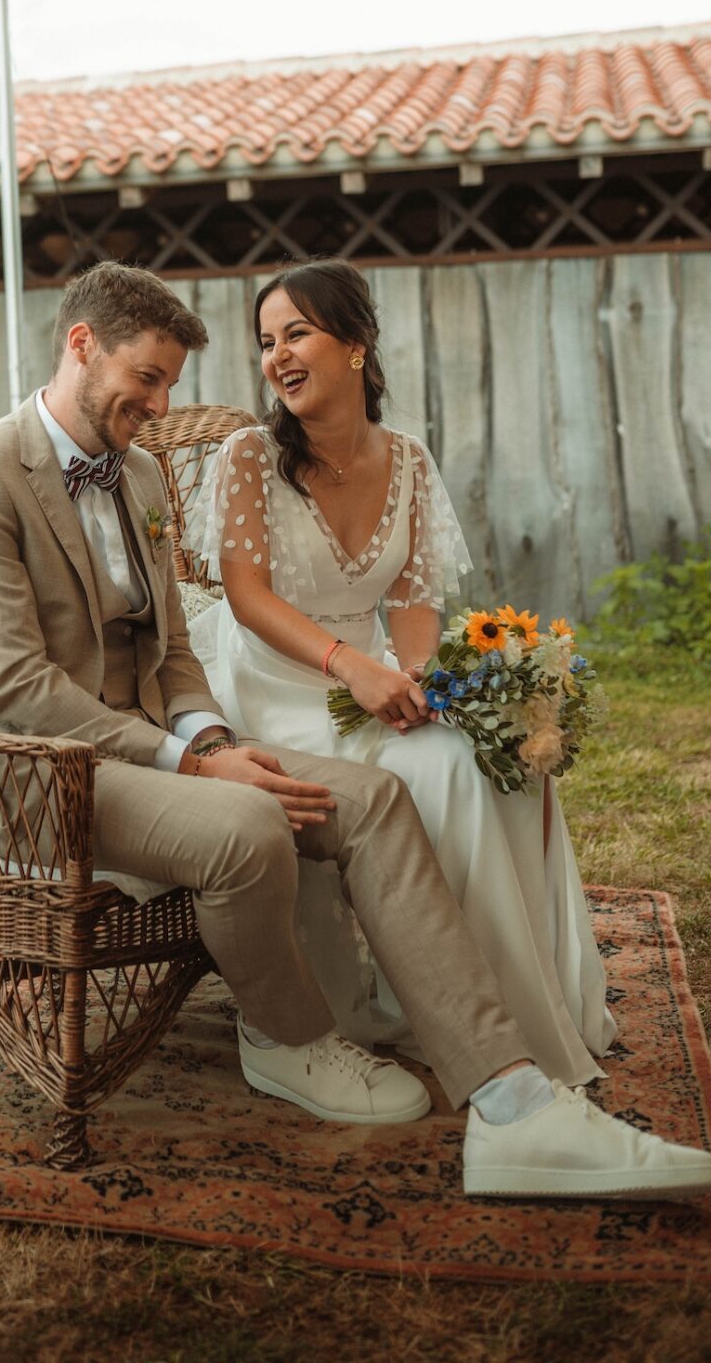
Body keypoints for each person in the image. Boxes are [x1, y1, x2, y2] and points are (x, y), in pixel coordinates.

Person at [0, 261, 711, 1199]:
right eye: (148, 378)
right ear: (82, 346)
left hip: (162, 750)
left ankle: (512, 1105)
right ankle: (289, 1037)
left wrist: (211, 742)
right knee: (255, 826)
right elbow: (18, 690)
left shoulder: (135, 473)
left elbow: (175, 650)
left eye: (173, 382)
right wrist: (196, 765)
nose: (163, 403)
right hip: (39, 773)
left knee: (376, 799)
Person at [187, 259, 614, 1090]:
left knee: (481, 764)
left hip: (372, 679)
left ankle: (513, 1018)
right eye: (266, 342)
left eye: (297, 333)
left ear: (356, 344)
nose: (277, 356)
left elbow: (416, 600)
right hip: (273, 681)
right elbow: (245, 598)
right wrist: (353, 669)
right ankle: (468, 1030)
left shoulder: (409, 460)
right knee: (442, 771)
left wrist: (419, 679)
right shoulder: (248, 455)